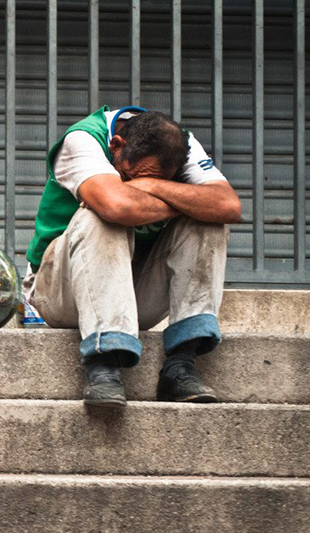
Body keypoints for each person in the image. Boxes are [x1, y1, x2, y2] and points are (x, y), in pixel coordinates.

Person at [24, 106, 241, 408]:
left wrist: (151, 185)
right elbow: (118, 207)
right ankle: (104, 367)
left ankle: (180, 365)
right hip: (59, 293)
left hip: (133, 297)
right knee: (102, 216)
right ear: (116, 146)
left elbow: (228, 206)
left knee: (208, 224)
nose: (135, 182)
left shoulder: (183, 145)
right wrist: (186, 198)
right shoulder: (84, 138)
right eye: (131, 175)